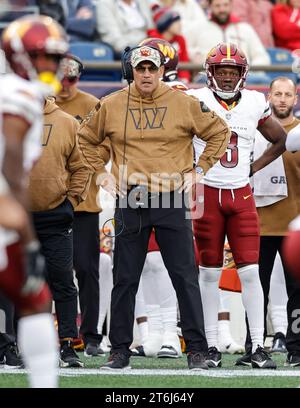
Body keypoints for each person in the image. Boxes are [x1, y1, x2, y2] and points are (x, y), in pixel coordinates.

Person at [77, 44, 231, 370]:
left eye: (152, 68)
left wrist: (199, 170)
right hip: (130, 199)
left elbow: (220, 131)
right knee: (125, 278)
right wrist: (102, 174)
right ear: (130, 70)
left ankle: (197, 351)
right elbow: (83, 138)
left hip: (172, 197)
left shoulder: (184, 102)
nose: (146, 74)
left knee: (185, 277)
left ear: (162, 70)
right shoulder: (111, 104)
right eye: (140, 68)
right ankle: (119, 351)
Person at [188, 42, 287, 369]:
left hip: (241, 193)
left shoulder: (256, 102)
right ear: (211, 73)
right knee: (208, 272)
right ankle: (212, 345)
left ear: (242, 75)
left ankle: (257, 345)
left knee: (249, 271)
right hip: (207, 194)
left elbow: (280, 139)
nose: (227, 78)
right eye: (222, 71)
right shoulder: (195, 99)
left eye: (233, 72)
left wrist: (253, 167)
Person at [0, 15, 68, 387]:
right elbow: (10, 155)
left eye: (55, 59)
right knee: (34, 297)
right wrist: (27, 236)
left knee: (35, 298)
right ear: (21, 56)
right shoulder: (22, 94)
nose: (51, 67)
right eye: (43, 57)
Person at [28, 96, 91, 368]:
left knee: (63, 281)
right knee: (16, 284)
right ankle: (17, 345)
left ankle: (67, 344)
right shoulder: (8, 119)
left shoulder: (66, 122)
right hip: (16, 218)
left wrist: (72, 202)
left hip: (55, 215)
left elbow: (81, 166)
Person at [56, 54, 110, 357]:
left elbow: (105, 146)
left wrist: (79, 160)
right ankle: (58, 333)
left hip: (84, 202)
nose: (65, 86)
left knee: (88, 269)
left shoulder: (91, 104)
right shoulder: (42, 103)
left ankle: (91, 335)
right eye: (60, 79)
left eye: (71, 79)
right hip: (47, 199)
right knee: (49, 270)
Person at [250, 76, 300, 367]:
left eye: (288, 94)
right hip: (259, 222)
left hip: (293, 224)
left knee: (297, 290)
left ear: (295, 99)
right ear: (269, 97)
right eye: (277, 94)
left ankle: (295, 347)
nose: (282, 99)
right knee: (257, 288)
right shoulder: (257, 130)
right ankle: (253, 345)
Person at [191, 0, 270, 66]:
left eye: (225, 5)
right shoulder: (199, 27)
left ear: (231, 5)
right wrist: (201, 58)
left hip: (243, 76)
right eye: (217, 6)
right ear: (210, 6)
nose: (222, 9)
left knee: (260, 79)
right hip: (208, 76)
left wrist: (249, 71)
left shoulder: (245, 28)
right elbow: (187, 50)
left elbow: (262, 56)